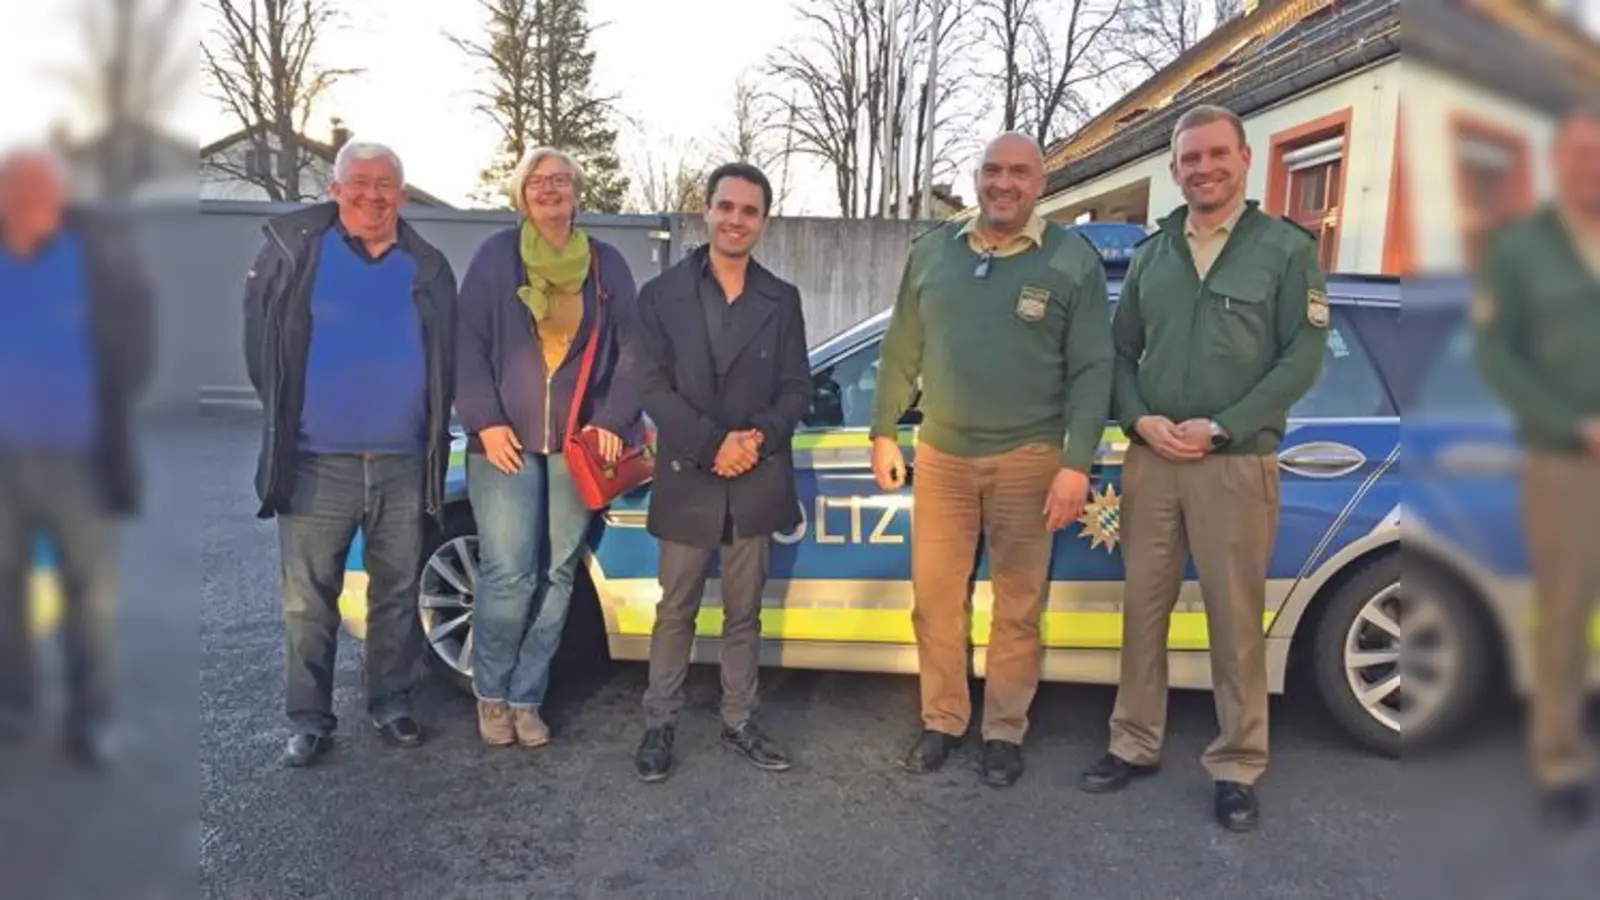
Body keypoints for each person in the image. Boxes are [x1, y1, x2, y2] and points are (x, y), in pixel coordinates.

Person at [1076, 104, 1327, 832]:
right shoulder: (1154, 254)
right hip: (1152, 462)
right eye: (1190, 158)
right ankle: (1134, 741)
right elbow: (1119, 354)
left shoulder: (1283, 250)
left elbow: (1302, 356)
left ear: (1244, 159)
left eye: (1217, 154)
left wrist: (1225, 425)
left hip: (1235, 464)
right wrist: (1139, 419)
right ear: (1175, 168)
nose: (1204, 168)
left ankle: (1238, 763)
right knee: (1142, 610)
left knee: (1235, 620)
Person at [869, 132, 1114, 787]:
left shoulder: (1071, 260)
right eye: (992, 170)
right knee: (935, 601)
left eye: (1019, 172)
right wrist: (884, 429)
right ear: (977, 178)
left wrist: (1076, 464)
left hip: (1031, 458)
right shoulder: (933, 251)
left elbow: (1094, 369)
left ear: (1041, 183)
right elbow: (900, 349)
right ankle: (943, 719)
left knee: (1017, 607)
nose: (1004, 183)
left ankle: (1004, 730)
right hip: (942, 456)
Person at [243, 141, 458, 768]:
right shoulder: (294, 254)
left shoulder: (427, 265)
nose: (372, 195)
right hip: (316, 461)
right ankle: (308, 719)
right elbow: (261, 351)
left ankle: (391, 702)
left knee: (395, 592)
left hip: (403, 460)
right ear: (335, 190)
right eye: (359, 182)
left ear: (402, 193)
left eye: (385, 184)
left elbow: (445, 355)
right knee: (308, 601)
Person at [454, 147, 643, 748]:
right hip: (503, 443)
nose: (549, 189)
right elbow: (465, 345)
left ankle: (526, 697)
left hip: (576, 445)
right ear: (521, 193)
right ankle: (491, 692)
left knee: (559, 573)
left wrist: (612, 417)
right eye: (537, 181)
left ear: (577, 192)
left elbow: (635, 351)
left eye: (561, 179)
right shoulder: (496, 258)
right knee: (508, 572)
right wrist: (484, 421)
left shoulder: (606, 265)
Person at [630, 162, 811, 783]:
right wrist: (713, 444)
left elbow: (796, 388)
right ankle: (660, 723)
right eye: (726, 206)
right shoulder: (660, 296)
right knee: (675, 608)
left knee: (744, 612)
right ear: (706, 211)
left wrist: (754, 440)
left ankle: (739, 719)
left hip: (754, 475)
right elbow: (650, 386)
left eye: (749, 210)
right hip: (690, 471)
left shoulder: (781, 300)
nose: (736, 219)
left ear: (764, 221)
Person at [0, 147, 153, 767]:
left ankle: (90, 720)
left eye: (42, 193)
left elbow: (133, 350)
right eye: (18, 193)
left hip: (80, 460)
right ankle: (12, 705)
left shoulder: (99, 254)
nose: (31, 205)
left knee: (88, 597)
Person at [1472, 101, 1600, 832]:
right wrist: (1572, 423)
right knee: (1567, 614)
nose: (1592, 168)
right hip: (1564, 462)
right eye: (1581, 155)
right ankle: (1559, 761)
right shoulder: (1521, 250)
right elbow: (1498, 356)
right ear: (1558, 163)